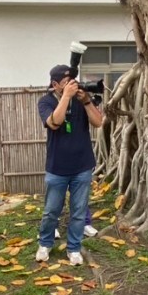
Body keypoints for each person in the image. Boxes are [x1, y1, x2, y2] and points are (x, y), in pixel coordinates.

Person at [36, 63, 104, 265]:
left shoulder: (80, 100)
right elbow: (54, 123)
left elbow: (99, 122)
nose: (71, 87)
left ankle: (74, 248)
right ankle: (45, 243)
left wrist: (86, 102)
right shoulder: (45, 101)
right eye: (66, 83)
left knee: (79, 211)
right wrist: (66, 97)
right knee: (51, 211)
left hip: (82, 166)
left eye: (72, 82)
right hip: (57, 167)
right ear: (55, 84)